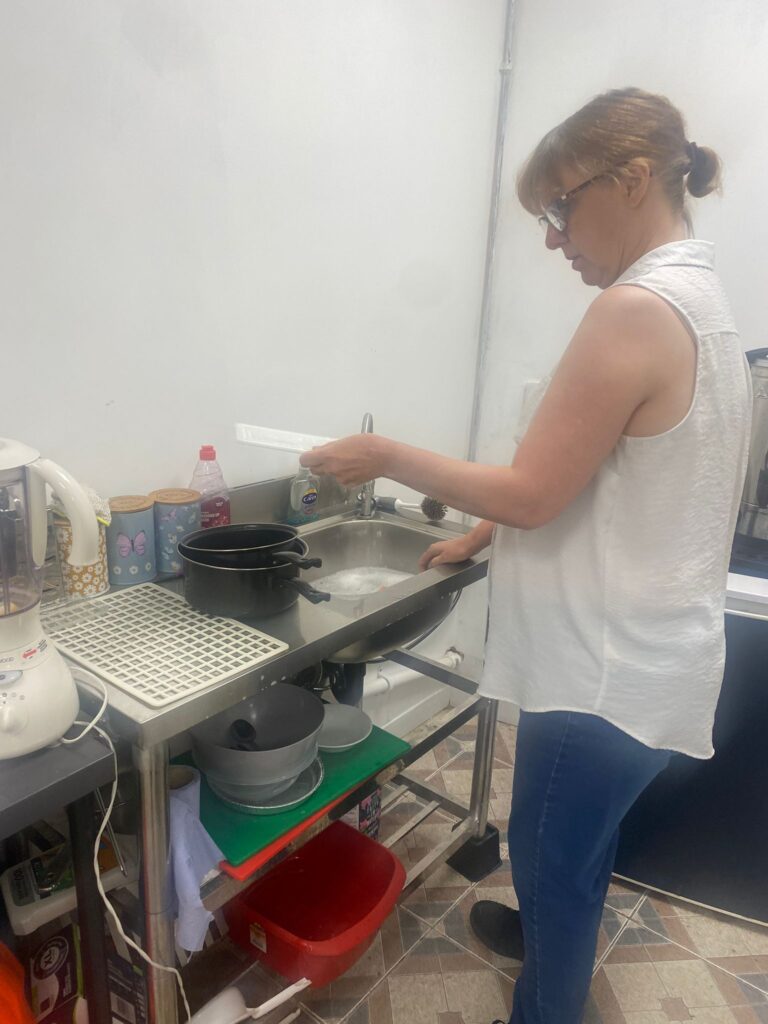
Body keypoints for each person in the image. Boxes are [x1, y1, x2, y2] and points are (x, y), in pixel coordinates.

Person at [300, 87, 752, 1024]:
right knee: (574, 846)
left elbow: (539, 490)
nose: (552, 238)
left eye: (558, 208)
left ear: (629, 181)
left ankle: (548, 998)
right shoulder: (703, 300)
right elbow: (603, 473)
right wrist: (480, 531)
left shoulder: (634, 308)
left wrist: (382, 454)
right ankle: (549, 927)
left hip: (598, 673)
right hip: (650, 657)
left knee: (550, 853)